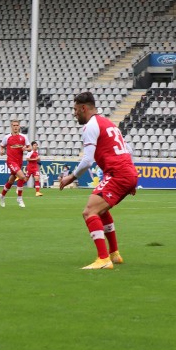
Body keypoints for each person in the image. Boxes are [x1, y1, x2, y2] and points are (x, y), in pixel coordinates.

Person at [60, 91, 138, 270]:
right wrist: (131, 175)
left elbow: (87, 161)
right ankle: (114, 254)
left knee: (89, 212)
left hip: (118, 174)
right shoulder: (108, 123)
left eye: (75, 110)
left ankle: (103, 259)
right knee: (100, 210)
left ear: (83, 108)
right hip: (125, 173)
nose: (74, 113)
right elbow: (129, 149)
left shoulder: (90, 126)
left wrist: (71, 177)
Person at [0, 119, 31, 208]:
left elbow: (30, 148)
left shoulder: (23, 137)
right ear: (11, 126)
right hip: (11, 161)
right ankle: (19, 198)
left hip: (19, 162)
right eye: (14, 125)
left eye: (17, 125)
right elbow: (1, 146)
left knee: (11, 180)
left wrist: (26, 149)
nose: (15, 127)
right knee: (22, 177)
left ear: (19, 126)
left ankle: (2, 196)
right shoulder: (7, 137)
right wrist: (1, 151)